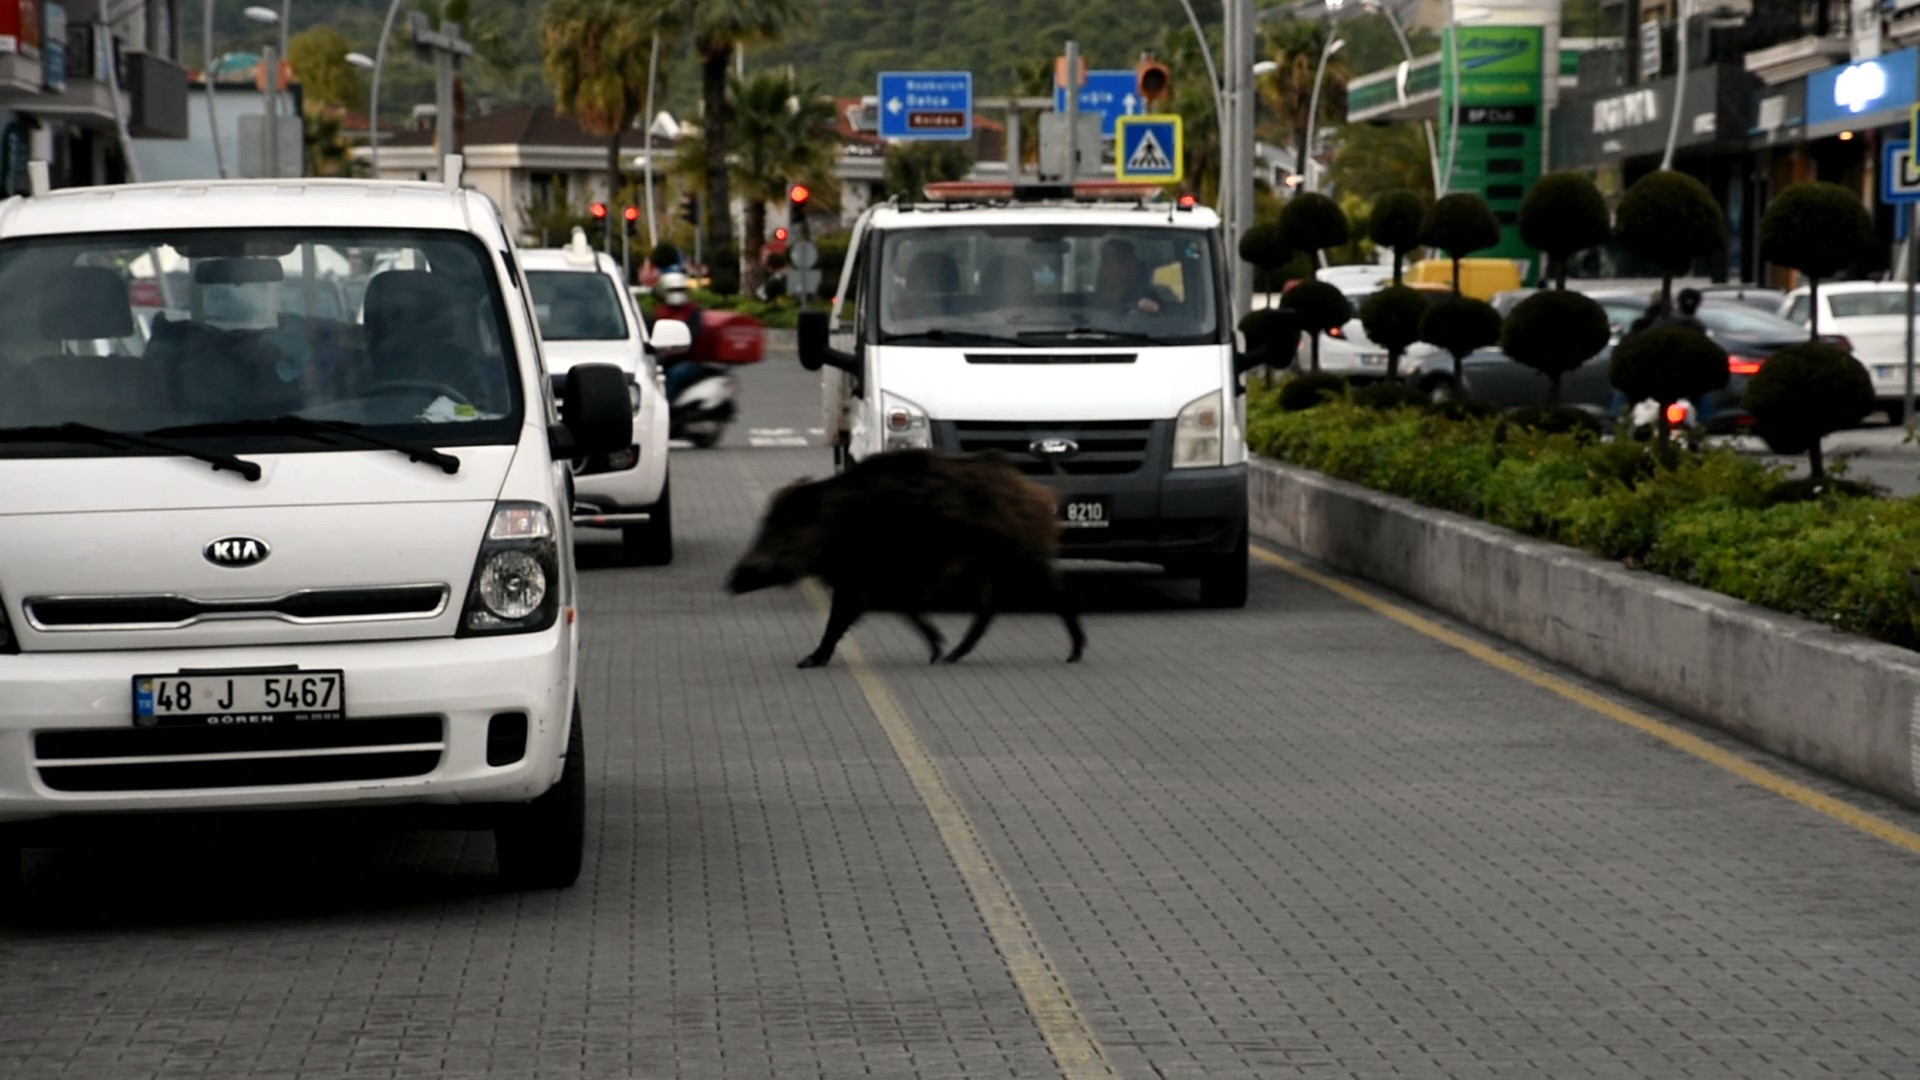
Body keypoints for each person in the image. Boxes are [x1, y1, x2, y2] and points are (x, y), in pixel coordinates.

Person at [653, 271, 706, 401]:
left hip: (689, 360)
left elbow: (694, 336)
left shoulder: (693, 312)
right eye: (673, 290)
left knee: (676, 375)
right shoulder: (660, 312)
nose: (677, 294)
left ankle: (667, 407)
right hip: (663, 361)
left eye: (680, 290)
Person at [1095, 240, 1160, 315]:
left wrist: (1152, 311)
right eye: (1105, 262)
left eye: (1115, 261)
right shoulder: (1091, 301)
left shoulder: (1148, 298)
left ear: (1131, 266)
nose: (1108, 268)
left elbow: (1164, 320)